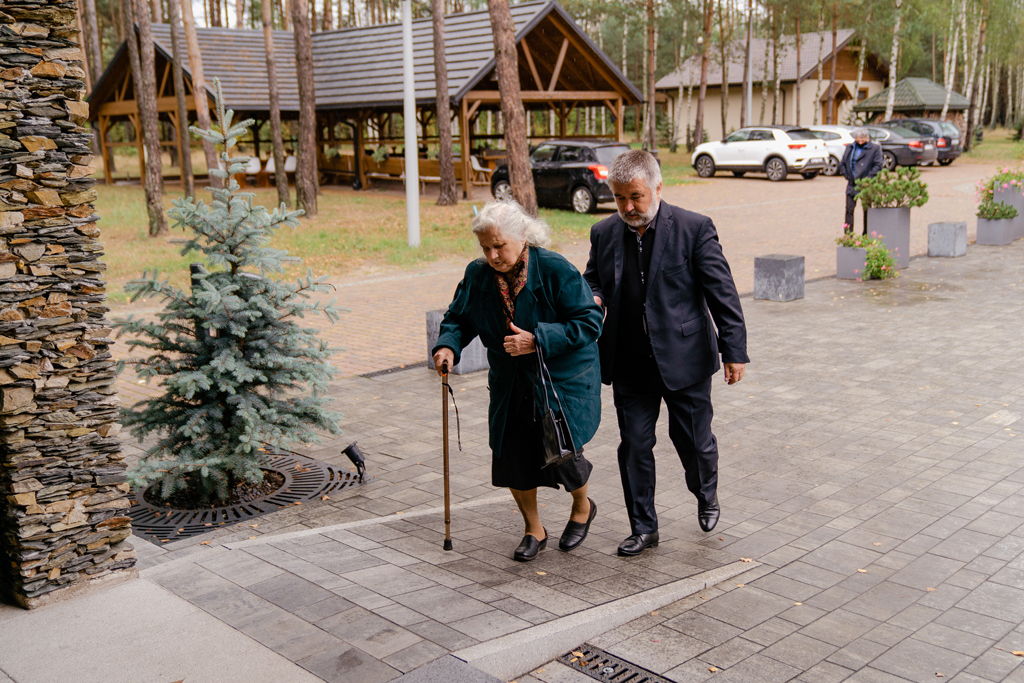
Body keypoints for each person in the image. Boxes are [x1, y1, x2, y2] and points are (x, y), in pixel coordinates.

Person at [583, 150, 748, 557]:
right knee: (634, 445)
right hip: (629, 361)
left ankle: (705, 493)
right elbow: (593, 279)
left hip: (684, 358)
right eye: (620, 198)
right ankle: (644, 527)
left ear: (658, 187)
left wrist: (734, 350)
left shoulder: (694, 229)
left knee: (693, 441)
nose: (628, 207)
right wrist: (595, 296)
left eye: (636, 197)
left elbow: (721, 293)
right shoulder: (604, 232)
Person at [432, 201, 603, 562]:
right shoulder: (478, 275)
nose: (493, 255)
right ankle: (534, 529)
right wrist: (448, 346)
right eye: (486, 248)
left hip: (556, 379)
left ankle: (582, 506)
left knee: (563, 454)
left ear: (522, 236)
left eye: (500, 246)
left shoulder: (555, 269)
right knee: (511, 456)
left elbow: (590, 322)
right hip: (510, 382)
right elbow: (458, 318)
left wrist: (538, 339)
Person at [841, 127, 884, 234]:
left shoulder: (875, 148)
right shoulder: (850, 147)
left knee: (867, 211)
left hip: (866, 184)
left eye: (863, 138)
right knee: (849, 210)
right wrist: (846, 174)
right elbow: (843, 163)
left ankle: (866, 234)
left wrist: (868, 179)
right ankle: (848, 234)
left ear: (868, 138)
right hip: (852, 183)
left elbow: (878, 165)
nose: (860, 140)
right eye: (858, 138)